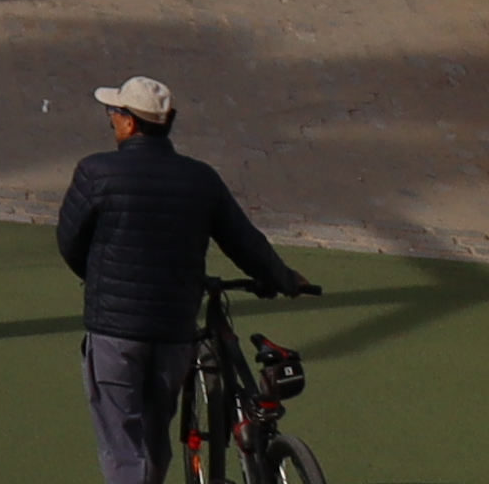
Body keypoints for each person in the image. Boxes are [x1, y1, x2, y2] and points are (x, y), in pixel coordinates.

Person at [56, 73, 310, 484]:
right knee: (157, 433)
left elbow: (70, 242)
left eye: (114, 112)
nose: (111, 118)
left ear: (129, 122)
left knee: (122, 443)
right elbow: (244, 242)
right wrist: (285, 279)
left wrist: (104, 281)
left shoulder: (96, 172)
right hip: (174, 330)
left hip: (115, 332)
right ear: (168, 119)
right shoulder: (201, 179)